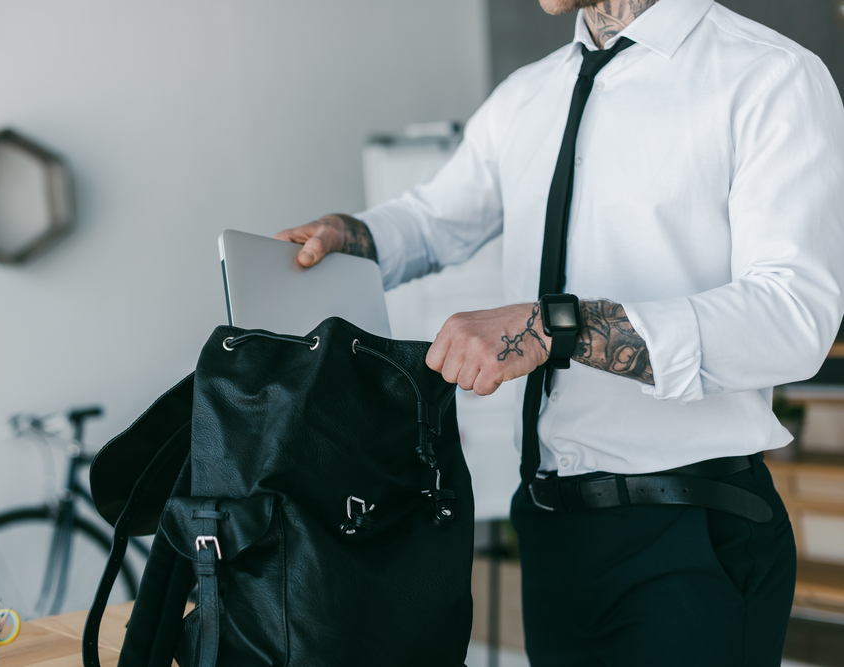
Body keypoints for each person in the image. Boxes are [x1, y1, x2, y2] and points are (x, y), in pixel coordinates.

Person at [277, 0, 844, 664]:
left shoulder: (769, 76)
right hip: (550, 529)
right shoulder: (526, 93)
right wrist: (352, 237)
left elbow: (793, 316)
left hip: (691, 534)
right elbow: (433, 219)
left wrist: (555, 326)